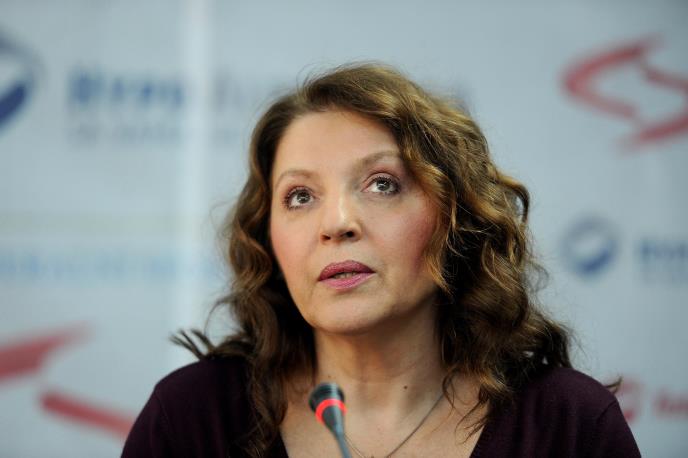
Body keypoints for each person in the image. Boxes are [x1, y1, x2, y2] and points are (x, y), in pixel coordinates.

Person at [122, 63, 640, 457]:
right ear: (269, 239)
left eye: (382, 184)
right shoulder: (192, 419)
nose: (336, 223)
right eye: (300, 196)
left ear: (455, 219)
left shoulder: (568, 424)